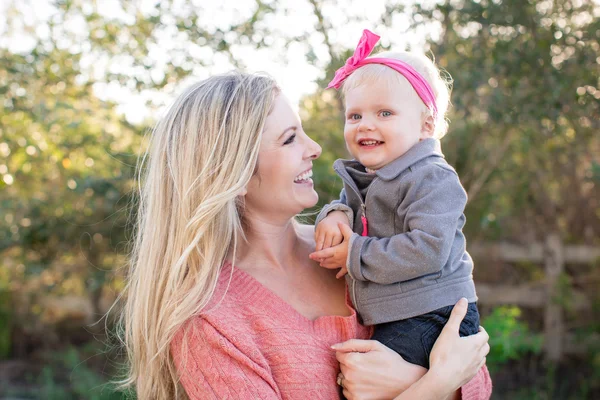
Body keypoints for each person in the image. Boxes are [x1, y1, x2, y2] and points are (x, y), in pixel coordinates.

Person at [118, 71, 492, 399]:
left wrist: (430, 381)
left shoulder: (356, 247)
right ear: (233, 174)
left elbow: (475, 372)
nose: (314, 149)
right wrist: (432, 386)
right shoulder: (210, 321)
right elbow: (453, 373)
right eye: (289, 139)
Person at [310, 29, 481, 370]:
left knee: (365, 376)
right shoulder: (368, 175)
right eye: (355, 116)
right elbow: (346, 202)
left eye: (384, 113)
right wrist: (336, 214)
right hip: (400, 312)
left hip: (435, 314)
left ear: (426, 125)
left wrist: (355, 252)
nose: (365, 125)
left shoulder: (432, 177)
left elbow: (427, 249)